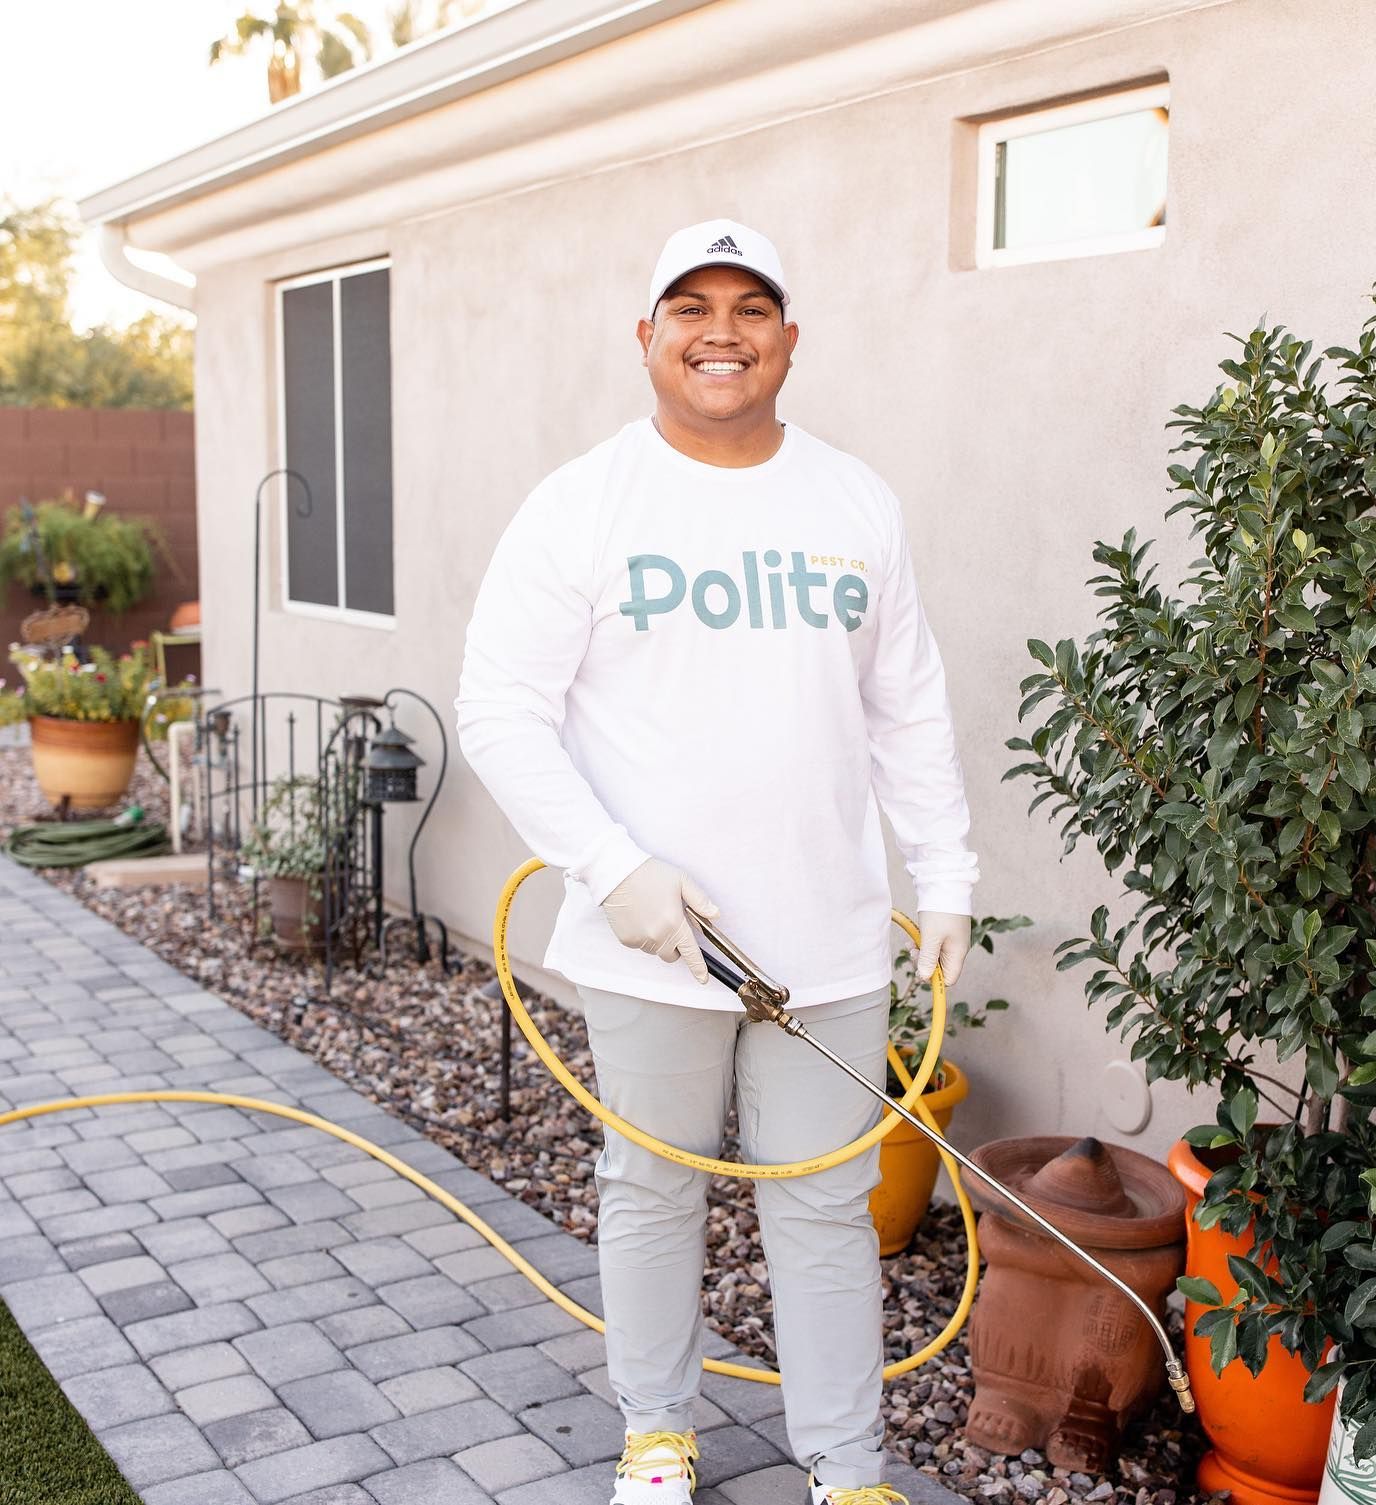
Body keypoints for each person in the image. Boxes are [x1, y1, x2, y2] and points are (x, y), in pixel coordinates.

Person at [455, 218, 978, 1505]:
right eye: (691, 307)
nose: (722, 330)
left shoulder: (856, 500)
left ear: (789, 340)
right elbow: (498, 708)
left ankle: (845, 1468)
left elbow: (907, 706)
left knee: (823, 1206)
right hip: (650, 941)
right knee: (650, 1190)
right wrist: (610, 865)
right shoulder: (583, 504)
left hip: (829, 937)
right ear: (647, 339)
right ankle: (656, 1434)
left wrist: (947, 872)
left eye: (752, 307)